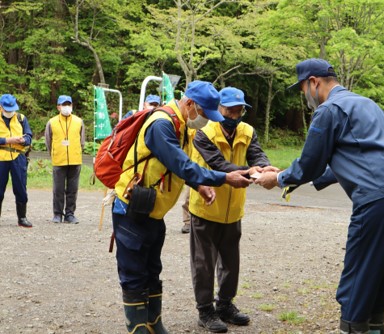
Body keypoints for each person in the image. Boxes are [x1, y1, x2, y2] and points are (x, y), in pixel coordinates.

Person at [255, 58, 384, 334]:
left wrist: (278, 178)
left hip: (376, 202)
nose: (304, 97)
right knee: (377, 285)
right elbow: (350, 157)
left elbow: (310, 163)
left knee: (355, 289)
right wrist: (289, 176)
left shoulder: (328, 110)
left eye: (302, 89)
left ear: (314, 83)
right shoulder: (367, 104)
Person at [111, 80, 252, 334]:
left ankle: (154, 323)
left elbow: (181, 166)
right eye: (203, 113)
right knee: (134, 272)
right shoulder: (161, 125)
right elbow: (183, 165)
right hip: (132, 209)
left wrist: (198, 186)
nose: (203, 120)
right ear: (189, 104)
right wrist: (223, 177)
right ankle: (138, 328)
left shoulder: (181, 124)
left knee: (153, 269)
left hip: (153, 210)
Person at [189, 87, 278, 333]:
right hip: (206, 208)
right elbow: (218, 164)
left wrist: (263, 168)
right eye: (229, 109)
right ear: (218, 108)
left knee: (231, 261)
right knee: (203, 264)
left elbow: (256, 154)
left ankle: (225, 305)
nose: (234, 114)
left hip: (233, 209)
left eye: (239, 110)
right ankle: (205, 310)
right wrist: (249, 171)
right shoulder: (203, 133)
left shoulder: (247, 131)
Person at [45, 95, 85, 224]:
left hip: (75, 159)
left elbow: (82, 141)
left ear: (72, 106)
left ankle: (70, 214)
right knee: (58, 189)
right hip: (59, 159)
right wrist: (55, 153)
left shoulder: (79, 121)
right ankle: (57, 214)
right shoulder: (52, 122)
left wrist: (77, 151)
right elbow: (48, 141)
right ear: (58, 107)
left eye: (69, 104)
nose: (66, 107)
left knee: (73, 189)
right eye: (64, 105)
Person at [0, 94, 33, 228]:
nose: (10, 112)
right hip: (1, 158)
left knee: (20, 188)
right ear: (1, 107)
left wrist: (24, 140)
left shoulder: (21, 118)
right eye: (7, 109)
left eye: (12, 109)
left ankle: (22, 217)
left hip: (18, 157)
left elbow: (29, 136)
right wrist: (7, 141)